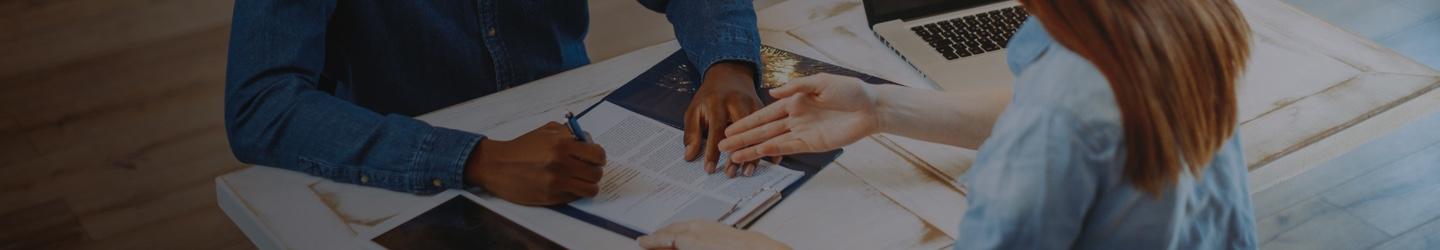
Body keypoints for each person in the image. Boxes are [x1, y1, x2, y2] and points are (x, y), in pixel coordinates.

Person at [639, 0, 1258, 249]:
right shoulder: (1170, 21)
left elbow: (1060, 126)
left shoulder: (1059, 118)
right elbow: (1079, 122)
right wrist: (880, 108)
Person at [224, 0, 766, 206]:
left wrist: (728, 63)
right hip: (401, 176)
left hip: (581, 150)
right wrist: (474, 159)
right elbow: (262, 104)